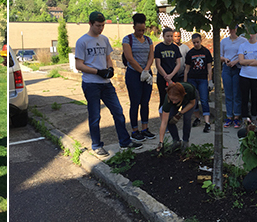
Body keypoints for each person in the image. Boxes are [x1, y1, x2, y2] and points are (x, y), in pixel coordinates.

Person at [77, 11, 141, 157]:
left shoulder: (104, 40)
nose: (101, 28)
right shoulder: (82, 41)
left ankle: (124, 141)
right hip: (91, 83)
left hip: (106, 83)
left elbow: (108, 58)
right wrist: (97, 71)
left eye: (103, 25)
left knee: (118, 112)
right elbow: (79, 65)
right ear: (90, 24)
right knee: (95, 116)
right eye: (98, 25)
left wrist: (110, 68)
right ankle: (96, 145)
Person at [123, 14, 156, 142]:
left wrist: (146, 71)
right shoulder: (127, 40)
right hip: (133, 74)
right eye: (139, 30)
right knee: (135, 102)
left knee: (145, 102)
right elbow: (129, 58)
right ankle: (135, 130)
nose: (141, 32)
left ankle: (145, 128)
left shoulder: (148, 40)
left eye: (143, 30)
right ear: (134, 27)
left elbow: (151, 56)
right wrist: (141, 71)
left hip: (146, 74)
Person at [157, 82, 199, 151]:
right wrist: (160, 142)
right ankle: (176, 141)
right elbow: (164, 122)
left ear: (182, 95)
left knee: (187, 118)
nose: (173, 102)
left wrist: (180, 113)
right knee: (169, 119)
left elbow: (192, 103)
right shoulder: (168, 100)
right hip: (179, 99)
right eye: (172, 99)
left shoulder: (189, 90)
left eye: (175, 99)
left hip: (190, 100)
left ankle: (185, 141)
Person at [184, 33, 213, 130]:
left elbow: (209, 68)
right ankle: (197, 118)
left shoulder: (206, 52)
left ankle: (207, 122)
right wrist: (185, 83)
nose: (196, 44)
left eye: (197, 42)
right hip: (192, 78)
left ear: (201, 41)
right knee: (194, 100)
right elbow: (187, 69)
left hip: (202, 79)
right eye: (194, 42)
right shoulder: (190, 53)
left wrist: (210, 80)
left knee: (204, 99)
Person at [238, 32, 257, 127]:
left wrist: (247, 63)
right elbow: (241, 61)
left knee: (255, 98)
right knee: (244, 99)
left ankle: (254, 119)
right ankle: (244, 120)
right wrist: (253, 60)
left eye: (253, 33)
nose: (251, 35)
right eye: (249, 33)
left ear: (256, 34)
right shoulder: (242, 46)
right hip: (244, 76)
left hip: (256, 77)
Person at [220, 26, 247, 129]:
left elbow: (244, 55)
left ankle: (236, 116)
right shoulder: (224, 41)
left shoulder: (243, 41)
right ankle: (229, 116)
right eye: (230, 28)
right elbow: (220, 55)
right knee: (228, 93)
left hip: (237, 67)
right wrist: (225, 60)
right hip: (227, 68)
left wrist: (236, 61)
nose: (232, 30)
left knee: (237, 93)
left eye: (234, 28)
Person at [154, 27, 183, 121]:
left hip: (174, 76)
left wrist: (171, 76)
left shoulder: (175, 48)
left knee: (174, 98)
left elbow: (178, 63)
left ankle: (171, 118)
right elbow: (158, 64)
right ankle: (163, 121)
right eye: (168, 36)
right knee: (163, 98)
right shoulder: (159, 47)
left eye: (171, 36)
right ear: (163, 36)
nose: (170, 38)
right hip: (162, 77)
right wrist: (166, 77)